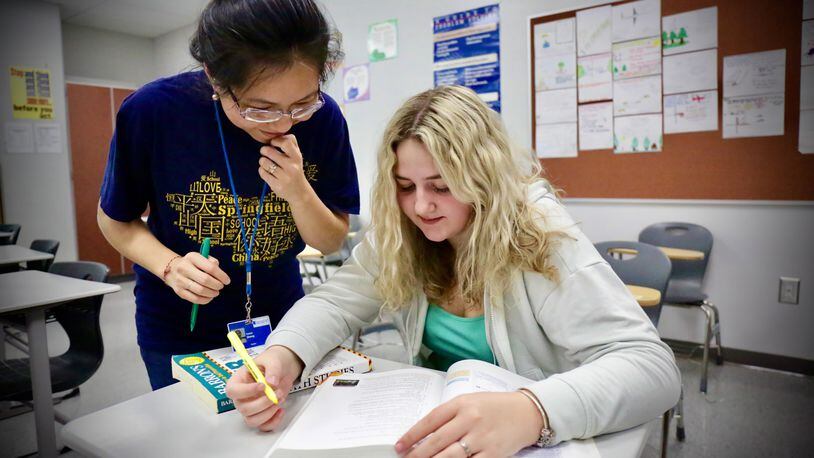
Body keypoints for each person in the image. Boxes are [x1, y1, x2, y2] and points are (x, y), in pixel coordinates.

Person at [225, 85, 681, 456]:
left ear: (483, 177)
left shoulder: (537, 231)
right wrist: (284, 356)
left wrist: (533, 411)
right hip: (435, 429)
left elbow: (652, 368)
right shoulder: (404, 231)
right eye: (406, 186)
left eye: (442, 186)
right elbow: (335, 302)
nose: (421, 206)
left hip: (527, 436)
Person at [97, 0, 359, 391]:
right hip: (180, 326)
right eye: (261, 108)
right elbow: (115, 219)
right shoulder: (154, 112)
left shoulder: (324, 120)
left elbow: (330, 240)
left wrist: (297, 191)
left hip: (284, 324)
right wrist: (170, 266)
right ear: (215, 79)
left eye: (301, 103)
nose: (284, 123)